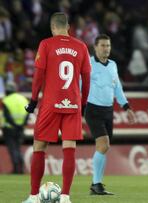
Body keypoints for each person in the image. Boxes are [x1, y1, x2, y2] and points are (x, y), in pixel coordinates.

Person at [22, 12, 91, 203]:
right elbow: (86, 79)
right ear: (68, 27)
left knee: (39, 146)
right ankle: (65, 197)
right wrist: (83, 104)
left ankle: (34, 196)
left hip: (50, 103)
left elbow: (38, 76)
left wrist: (34, 100)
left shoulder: (46, 44)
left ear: (53, 27)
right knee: (69, 147)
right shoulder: (81, 46)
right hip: (73, 103)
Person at [85, 34, 136, 195]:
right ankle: (96, 184)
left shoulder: (113, 65)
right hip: (92, 109)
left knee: (104, 148)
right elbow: (78, 85)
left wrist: (126, 106)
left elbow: (117, 88)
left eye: (108, 45)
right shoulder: (88, 64)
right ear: (95, 47)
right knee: (103, 144)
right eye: (103, 45)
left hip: (108, 110)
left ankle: (97, 184)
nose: (106, 48)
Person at [2, 82, 29, 174]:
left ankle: (16, 169)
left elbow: (7, 115)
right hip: (21, 129)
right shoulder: (23, 99)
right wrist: (21, 125)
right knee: (18, 148)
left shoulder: (7, 100)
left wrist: (14, 125)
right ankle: (21, 168)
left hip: (9, 129)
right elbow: (28, 114)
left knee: (12, 149)